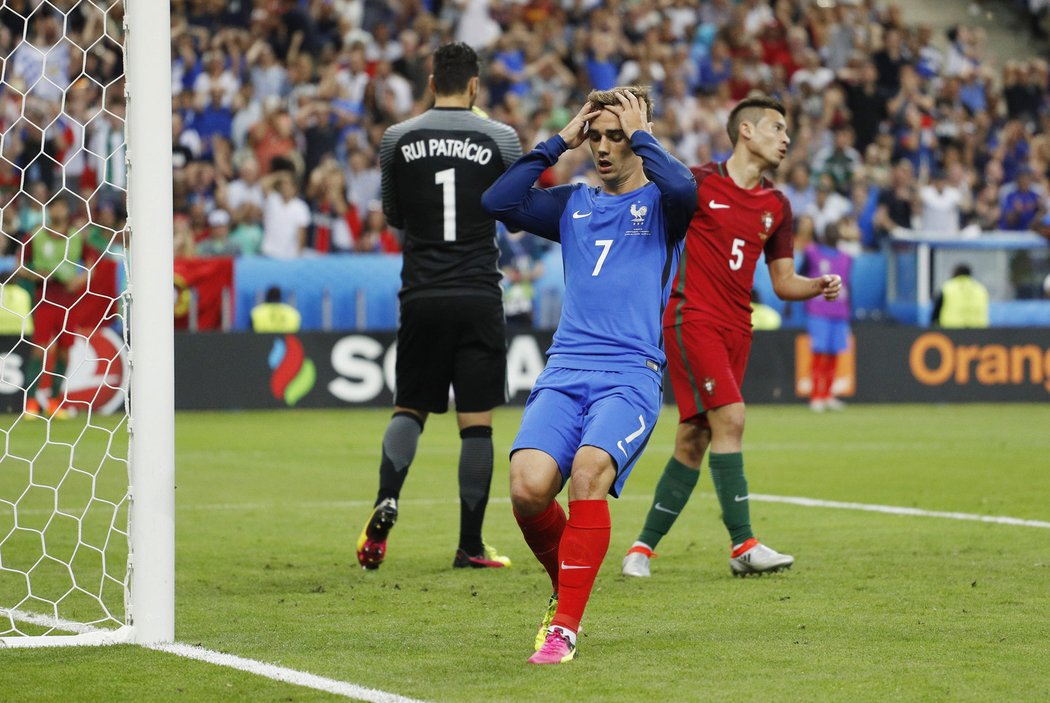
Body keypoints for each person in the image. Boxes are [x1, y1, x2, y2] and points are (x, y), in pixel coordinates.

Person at [482, 87, 697, 664]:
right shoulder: (572, 204)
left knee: (587, 471)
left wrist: (643, 132)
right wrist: (560, 139)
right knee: (527, 488)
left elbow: (684, 187)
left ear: (639, 137)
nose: (603, 147)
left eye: (615, 136)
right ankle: (567, 582)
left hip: (629, 373)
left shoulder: (662, 206)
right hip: (565, 368)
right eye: (595, 136)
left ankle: (565, 629)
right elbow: (498, 202)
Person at [621, 95, 842, 580]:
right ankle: (743, 544)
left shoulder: (777, 206)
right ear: (746, 131)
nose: (786, 138)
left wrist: (816, 286)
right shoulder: (697, 183)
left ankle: (641, 548)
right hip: (691, 318)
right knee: (733, 417)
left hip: (738, 328)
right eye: (777, 128)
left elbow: (782, 282)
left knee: (694, 439)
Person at [355, 42, 523, 573]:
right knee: (476, 424)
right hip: (478, 292)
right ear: (474, 85)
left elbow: (395, 215)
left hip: (422, 293)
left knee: (410, 408)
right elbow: (513, 209)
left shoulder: (396, 139)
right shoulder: (501, 138)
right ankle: (470, 545)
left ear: (431, 82)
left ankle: (387, 497)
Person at [802, 220, 853, 411]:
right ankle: (816, 395)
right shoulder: (812, 253)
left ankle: (828, 394)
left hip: (839, 311)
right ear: (824, 235)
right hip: (818, 310)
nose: (833, 235)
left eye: (835, 231)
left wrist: (850, 309)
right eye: (830, 231)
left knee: (834, 354)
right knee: (819, 353)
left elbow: (848, 285)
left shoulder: (847, 258)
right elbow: (801, 275)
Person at [932, 263, 989, 328]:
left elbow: (937, 309)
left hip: (951, 328)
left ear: (955, 273)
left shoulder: (948, 288)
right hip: (978, 329)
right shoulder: (980, 289)